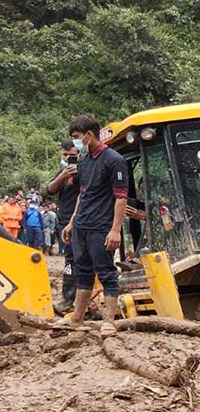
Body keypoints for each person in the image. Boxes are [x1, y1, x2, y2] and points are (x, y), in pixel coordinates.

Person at [61, 114, 128, 329]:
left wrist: (115, 230)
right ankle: (77, 319)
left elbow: (121, 197)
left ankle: (109, 322)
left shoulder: (114, 160)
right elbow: (83, 194)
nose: (76, 141)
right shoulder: (84, 161)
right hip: (82, 226)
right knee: (83, 273)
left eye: (77, 137)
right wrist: (72, 222)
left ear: (89, 135)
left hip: (101, 227)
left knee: (106, 272)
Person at [44, 139, 82, 311]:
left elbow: (84, 196)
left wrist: (74, 221)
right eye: (65, 155)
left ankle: (79, 302)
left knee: (79, 260)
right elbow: (50, 190)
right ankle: (68, 299)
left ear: (79, 154)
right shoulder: (63, 171)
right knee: (69, 261)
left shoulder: (85, 170)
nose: (68, 158)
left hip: (79, 221)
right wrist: (63, 175)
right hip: (64, 222)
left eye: (71, 155)